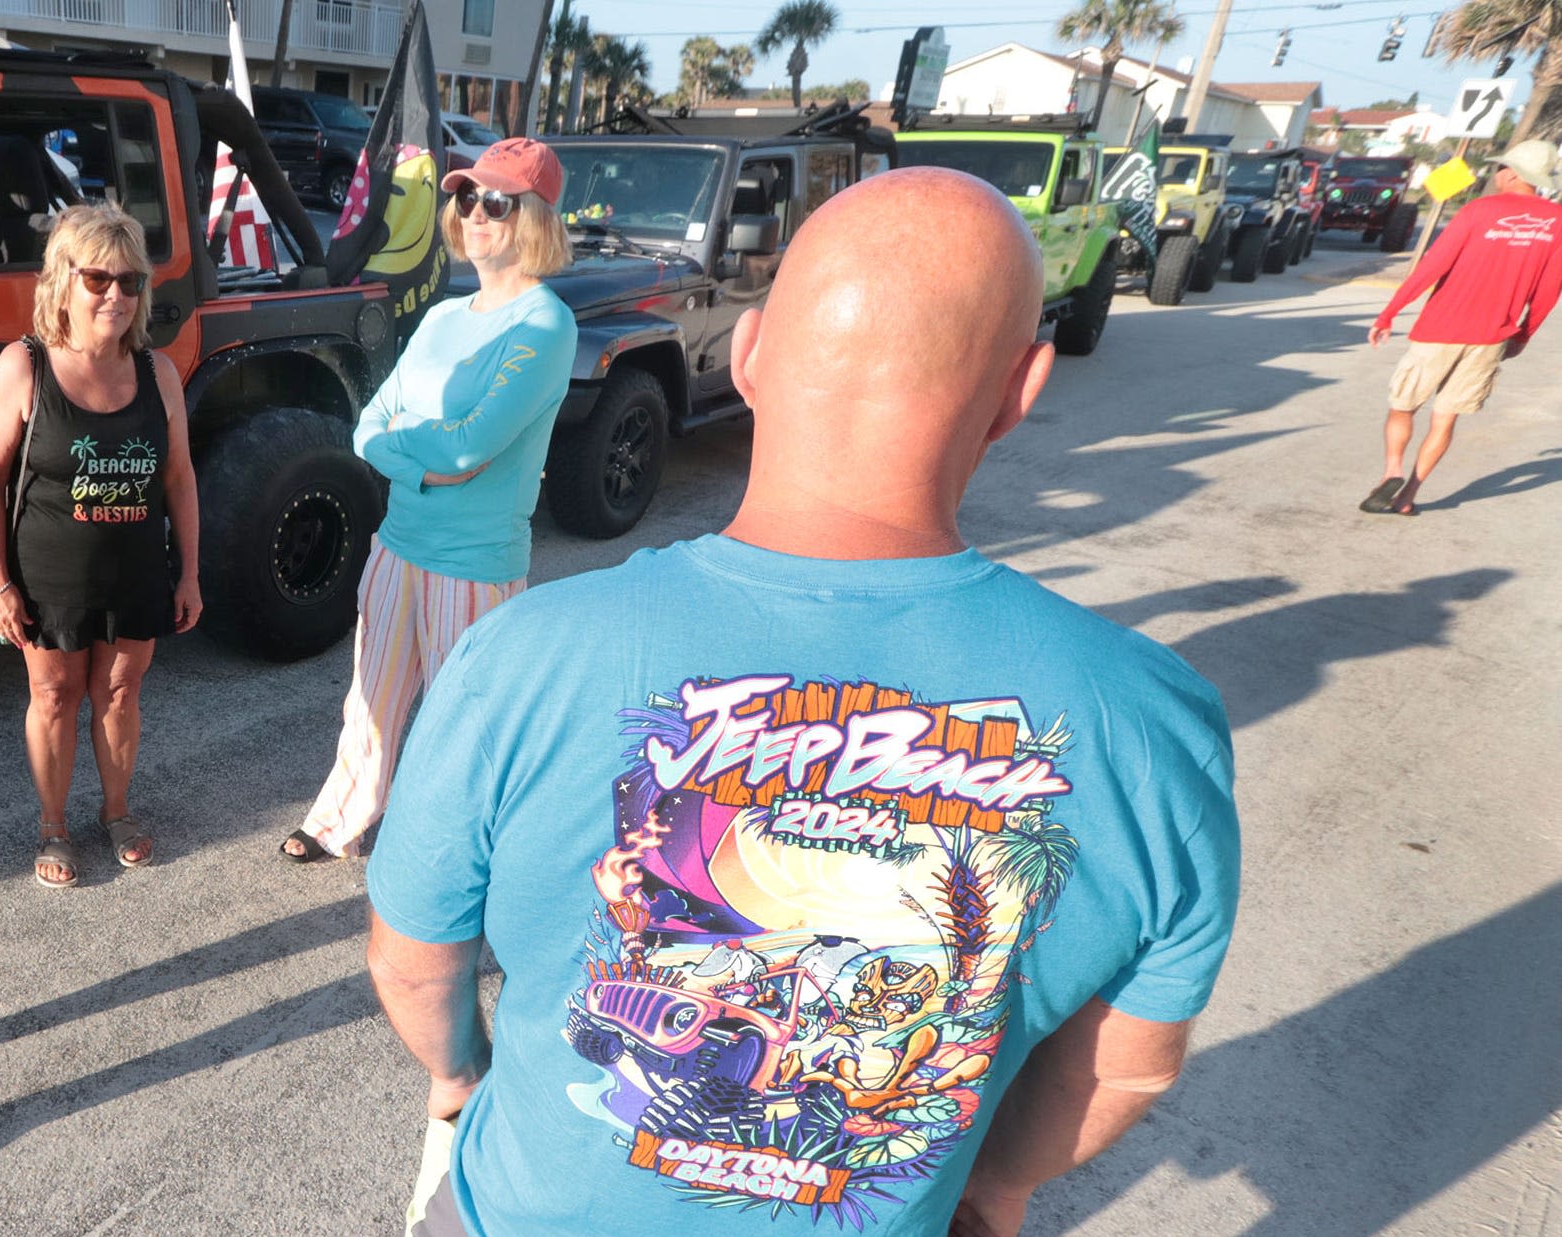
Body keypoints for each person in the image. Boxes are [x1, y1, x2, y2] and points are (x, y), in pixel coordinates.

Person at [364, 168, 1242, 1237]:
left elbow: (414, 962)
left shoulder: (521, 656)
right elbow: (1126, 1071)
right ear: (1023, 390)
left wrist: (460, 1074)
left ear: (747, 354)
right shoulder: (1156, 724)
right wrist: (995, 1183)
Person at [281, 137, 578, 863]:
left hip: (473, 566)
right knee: (369, 701)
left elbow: (466, 449)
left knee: (464, 722)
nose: (473, 214)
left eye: (495, 202)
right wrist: (421, 457)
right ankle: (340, 819)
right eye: (465, 198)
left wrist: (413, 450)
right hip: (398, 545)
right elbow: (370, 425)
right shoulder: (446, 316)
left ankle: (449, 848)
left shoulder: (544, 324)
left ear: (535, 218)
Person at [0, 201, 200, 887]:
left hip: (135, 570)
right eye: (98, 279)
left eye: (130, 282)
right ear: (62, 282)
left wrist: (188, 573)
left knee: (121, 690)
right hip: (47, 576)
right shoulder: (25, 366)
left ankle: (117, 810)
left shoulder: (156, 373)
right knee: (54, 695)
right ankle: (53, 825)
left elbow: (180, 478)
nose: (116, 295)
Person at [1360, 140, 1562, 516]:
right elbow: (1549, 290)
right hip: (1490, 338)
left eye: (1502, 167)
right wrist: (1523, 334)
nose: (1498, 173)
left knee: (1403, 406)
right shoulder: (1558, 222)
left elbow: (1432, 266)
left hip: (1439, 329)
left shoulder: (1478, 211)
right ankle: (1408, 496)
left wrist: (1389, 313)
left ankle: (1392, 471)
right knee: (1445, 417)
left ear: (1513, 173)